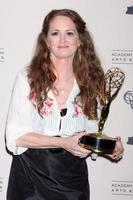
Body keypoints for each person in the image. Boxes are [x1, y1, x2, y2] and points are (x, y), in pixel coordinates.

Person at [5, 9, 124, 200]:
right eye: (55, 33)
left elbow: (90, 131)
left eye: (69, 33)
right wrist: (62, 142)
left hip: (72, 180)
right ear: (46, 40)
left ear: (80, 40)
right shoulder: (27, 78)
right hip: (30, 178)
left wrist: (109, 147)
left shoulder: (91, 81)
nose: (62, 40)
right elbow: (15, 136)